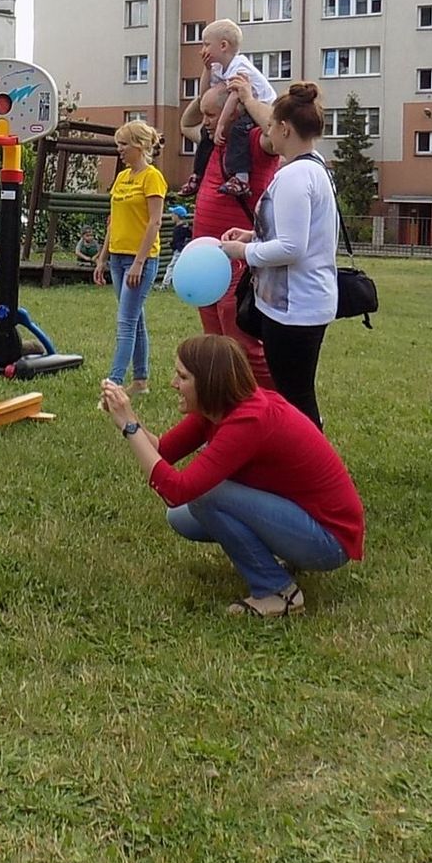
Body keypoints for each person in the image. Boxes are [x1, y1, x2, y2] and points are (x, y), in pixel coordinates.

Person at [99, 336, 364, 617]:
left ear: (209, 382)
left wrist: (130, 427)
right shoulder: (218, 407)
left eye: (183, 377)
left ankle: (277, 591)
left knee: (204, 496)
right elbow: (163, 451)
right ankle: (276, 561)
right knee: (180, 517)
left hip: (329, 542)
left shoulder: (250, 419)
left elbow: (176, 490)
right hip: (305, 521)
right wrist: (127, 418)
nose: (173, 383)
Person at [221, 79, 338, 430]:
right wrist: (255, 234)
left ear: (285, 128)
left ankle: (310, 458)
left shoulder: (295, 176)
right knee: (295, 392)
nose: (267, 131)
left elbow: (291, 247)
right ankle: (302, 454)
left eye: (271, 124)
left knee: (295, 397)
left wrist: (243, 250)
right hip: (303, 301)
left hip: (295, 307)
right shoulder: (315, 168)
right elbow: (301, 234)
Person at [180, 83, 277, 389]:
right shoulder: (215, 142)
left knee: (243, 345)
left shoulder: (254, 142)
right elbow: (186, 123)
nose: (206, 121)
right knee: (215, 345)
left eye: (212, 114)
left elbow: (275, 131)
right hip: (206, 265)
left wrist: (246, 97)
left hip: (237, 260)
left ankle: (273, 403)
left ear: (233, 112)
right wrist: (209, 85)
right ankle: (224, 404)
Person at [94, 120, 167, 394]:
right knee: (135, 321)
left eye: (124, 144)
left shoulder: (152, 178)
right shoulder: (122, 178)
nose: (120, 150)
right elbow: (113, 221)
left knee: (125, 323)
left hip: (140, 261)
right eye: (118, 145)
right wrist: (102, 257)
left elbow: (154, 222)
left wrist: (139, 262)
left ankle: (113, 384)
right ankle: (140, 380)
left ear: (139, 145)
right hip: (117, 258)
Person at [200, 19, 276, 195]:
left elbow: (235, 95)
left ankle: (242, 178)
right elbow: (205, 97)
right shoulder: (220, 68)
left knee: (238, 130)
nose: (203, 50)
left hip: (261, 106)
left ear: (223, 45)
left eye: (206, 44)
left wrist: (221, 124)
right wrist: (206, 69)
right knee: (206, 133)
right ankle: (198, 174)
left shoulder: (239, 66)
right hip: (243, 107)